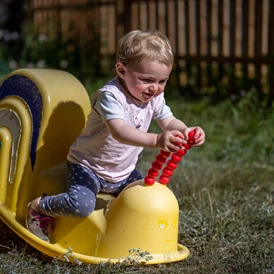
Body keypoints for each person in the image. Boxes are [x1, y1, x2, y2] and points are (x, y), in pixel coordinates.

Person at [26, 30, 206, 242]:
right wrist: (157, 140)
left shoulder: (154, 96)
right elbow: (119, 131)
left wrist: (185, 130)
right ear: (121, 70)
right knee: (81, 206)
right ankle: (39, 207)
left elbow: (168, 120)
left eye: (162, 81)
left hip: (123, 172)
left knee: (145, 200)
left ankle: (121, 238)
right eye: (147, 79)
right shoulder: (110, 97)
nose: (155, 88)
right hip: (88, 167)